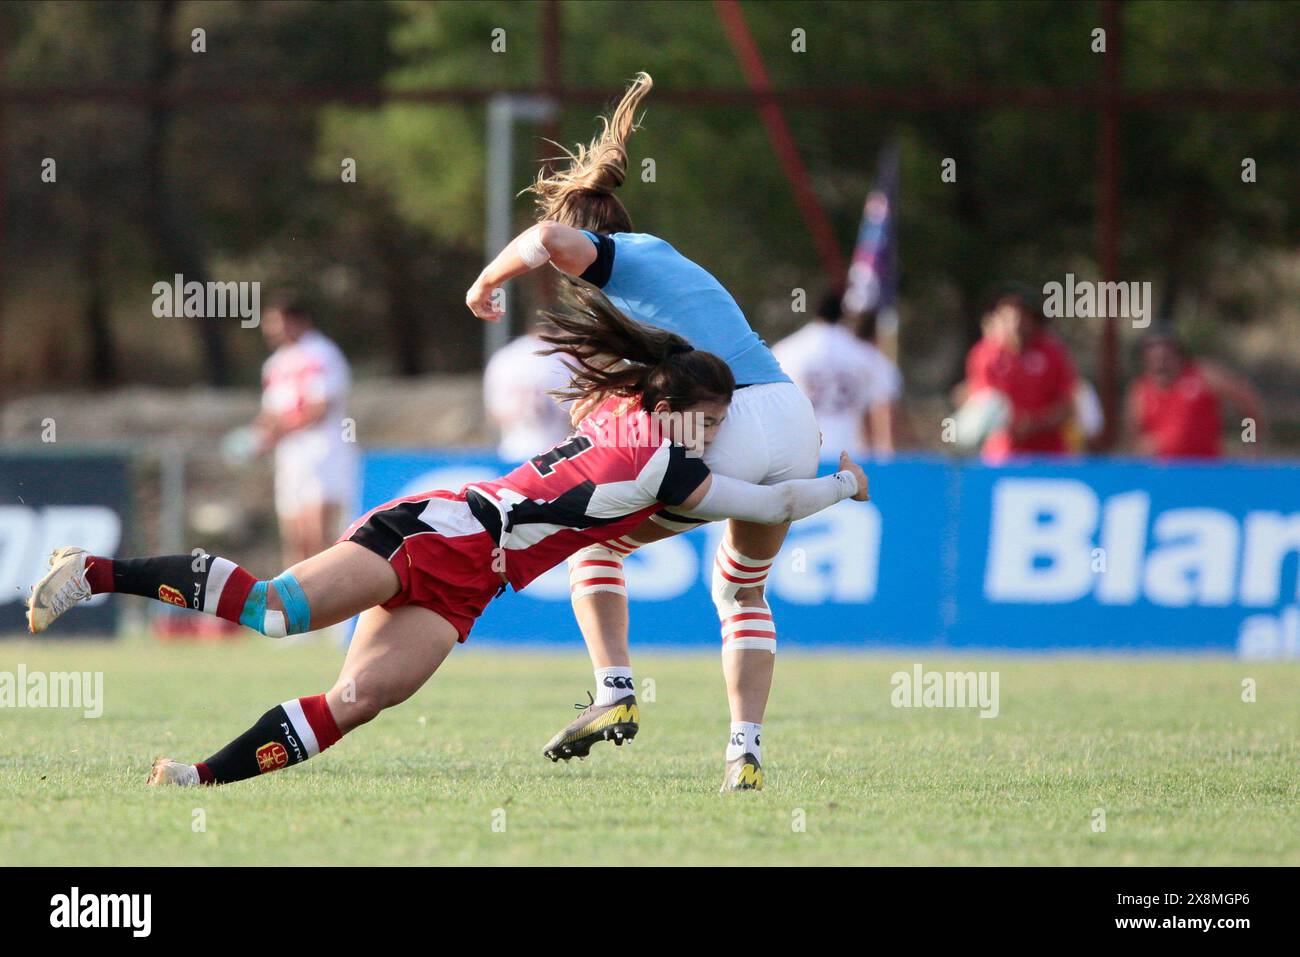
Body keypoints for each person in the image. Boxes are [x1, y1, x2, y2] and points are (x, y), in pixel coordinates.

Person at [25, 281, 869, 790]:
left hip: (473, 580)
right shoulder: (663, 466)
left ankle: (196, 777)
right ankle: (93, 570)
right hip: (440, 531)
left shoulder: (625, 408)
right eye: (709, 417)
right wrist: (842, 483)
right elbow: (774, 503)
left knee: (360, 700)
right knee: (278, 611)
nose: (713, 432)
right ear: (666, 405)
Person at [466, 72, 824, 790]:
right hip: (792, 416)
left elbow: (543, 236)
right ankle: (743, 750)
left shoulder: (619, 256)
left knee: (592, 546)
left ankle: (614, 690)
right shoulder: (666, 273)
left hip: (732, 420)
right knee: (742, 593)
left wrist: (485, 282)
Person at [255, 299, 355, 567]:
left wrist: (279, 432)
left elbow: (320, 406)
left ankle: (330, 602)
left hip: (323, 450)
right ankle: (294, 605)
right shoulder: (275, 363)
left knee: (318, 534)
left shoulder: (322, 353)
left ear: (299, 321)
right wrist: (259, 437)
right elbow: (270, 411)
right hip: (291, 454)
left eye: (278, 322)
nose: (272, 330)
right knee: (295, 536)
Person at [773, 290, 901, 458]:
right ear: (843, 314)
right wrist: (884, 452)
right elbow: (883, 403)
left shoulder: (786, 351)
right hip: (850, 453)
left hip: (800, 455)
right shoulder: (864, 354)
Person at [962, 285, 1076, 462]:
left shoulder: (1053, 354)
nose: (1015, 324)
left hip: (1049, 456)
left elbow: (1067, 407)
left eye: (1021, 317)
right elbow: (983, 402)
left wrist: (1034, 424)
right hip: (1002, 457)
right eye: (1008, 318)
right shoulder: (985, 355)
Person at [1126, 330, 1265, 459]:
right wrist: (1143, 448)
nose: (1161, 356)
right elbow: (1134, 438)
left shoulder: (1204, 375)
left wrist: (1251, 440)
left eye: (1166, 349)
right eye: (1152, 350)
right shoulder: (1140, 391)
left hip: (1205, 470)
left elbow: (1248, 402)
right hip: (1163, 474)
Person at [483, 320, 573, 461]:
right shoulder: (563, 358)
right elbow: (575, 414)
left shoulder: (505, 357)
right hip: (557, 454)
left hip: (513, 451)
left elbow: (494, 413)